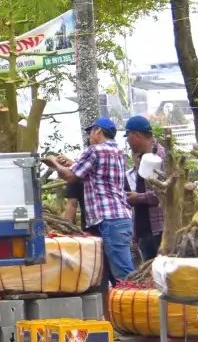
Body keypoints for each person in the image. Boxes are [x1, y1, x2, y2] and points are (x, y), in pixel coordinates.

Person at [44, 117, 134, 285]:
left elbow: (71, 177)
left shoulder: (94, 151)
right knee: (117, 273)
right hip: (120, 217)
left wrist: (54, 163)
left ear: (98, 131)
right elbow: (95, 173)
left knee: (123, 274)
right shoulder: (119, 152)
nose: (89, 136)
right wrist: (72, 163)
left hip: (108, 219)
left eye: (91, 132)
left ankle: (139, 307)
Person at [123, 115, 169, 262]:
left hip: (159, 228)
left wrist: (138, 198)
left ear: (136, 135)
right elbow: (141, 184)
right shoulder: (140, 156)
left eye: (128, 137)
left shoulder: (160, 156)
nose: (128, 142)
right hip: (144, 228)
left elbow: (163, 192)